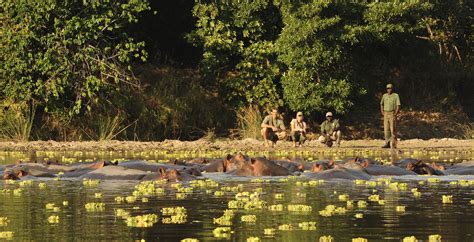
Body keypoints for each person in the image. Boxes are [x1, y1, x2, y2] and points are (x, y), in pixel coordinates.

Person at [380, 83, 401, 148]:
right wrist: (382, 112)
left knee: (393, 129)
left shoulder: (396, 95)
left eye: (390, 88)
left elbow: (398, 105)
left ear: (392, 88)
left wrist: (395, 113)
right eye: (387, 88)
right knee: (386, 130)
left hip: (392, 113)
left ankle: (394, 145)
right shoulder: (384, 96)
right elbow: (381, 104)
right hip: (386, 113)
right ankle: (387, 143)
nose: (389, 90)